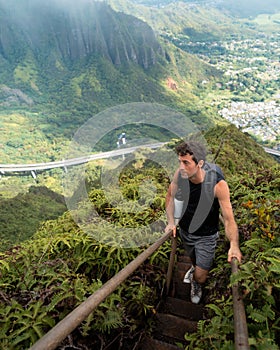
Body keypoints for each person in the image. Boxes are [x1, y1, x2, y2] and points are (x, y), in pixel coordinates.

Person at [165, 141, 242, 304]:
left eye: (186, 162)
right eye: (179, 162)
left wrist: (234, 245)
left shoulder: (217, 184)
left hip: (207, 235)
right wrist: (171, 222)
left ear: (199, 163)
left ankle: (196, 282)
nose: (181, 167)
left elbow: (228, 218)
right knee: (193, 260)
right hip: (186, 230)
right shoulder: (180, 174)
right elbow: (170, 196)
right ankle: (193, 267)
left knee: (201, 276)